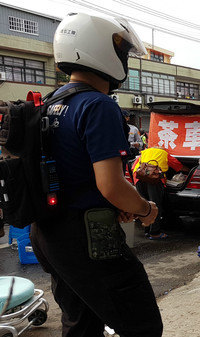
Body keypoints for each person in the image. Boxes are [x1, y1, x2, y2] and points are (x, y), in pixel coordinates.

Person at [29, 13, 163, 336]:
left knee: (81, 324)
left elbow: (73, 172)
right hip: (87, 239)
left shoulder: (51, 103)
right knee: (144, 324)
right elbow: (110, 184)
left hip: (47, 234)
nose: (124, 61)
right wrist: (146, 209)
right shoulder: (98, 105)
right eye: (122, 52)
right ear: (100, 50)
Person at [132, 147, 189, 239]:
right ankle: (155, 233)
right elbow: (178, 166)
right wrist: (190, 170)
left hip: (139, 177)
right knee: (155, 205)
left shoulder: (144, 153)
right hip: (155, 180)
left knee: (144, 204)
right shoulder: (164, 153)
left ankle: (147, 230)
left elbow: (134, 167)